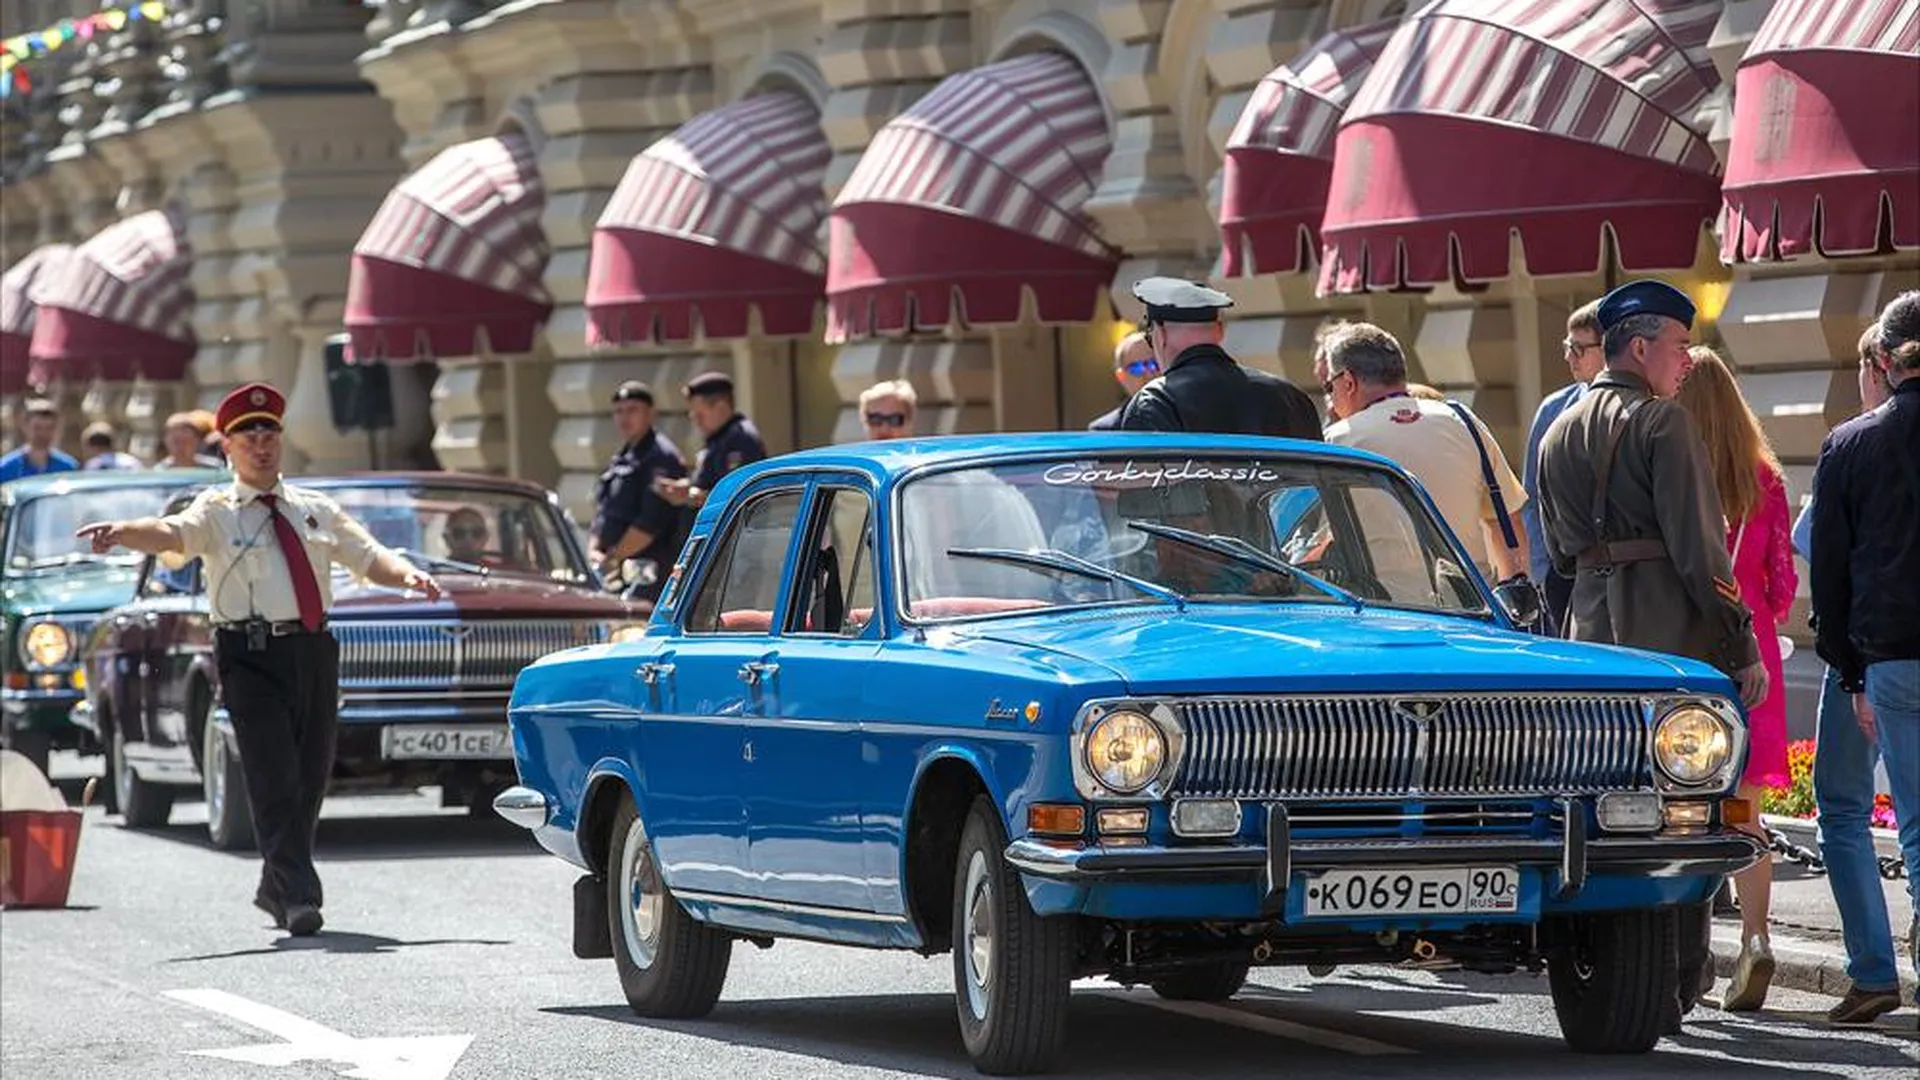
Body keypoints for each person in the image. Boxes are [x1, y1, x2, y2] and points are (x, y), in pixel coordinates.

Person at [74, 382, 443, 937]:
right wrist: (123, 533)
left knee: (311, 773)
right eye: (248, 436)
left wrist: (408, 577)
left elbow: (367, 556)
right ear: (227, 448)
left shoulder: (313, 510)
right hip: (249, 654)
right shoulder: (217, 511)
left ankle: (275, 884)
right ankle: (298, 895)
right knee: (274, 774)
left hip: (314, 649)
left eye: (269, 432)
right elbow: (172, 533)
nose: (261, 444)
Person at [1674, 344, 1796, 1011]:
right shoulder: (1762, 478)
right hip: (1754, 655)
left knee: (1686, 810)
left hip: (1690, 648)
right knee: (1746, 807)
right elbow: (1783, 586)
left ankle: (1688, 954)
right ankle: (1755, 938)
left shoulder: (1672, 470)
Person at [1810, 290, 1920, 1028]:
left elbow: (1831, 577)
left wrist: (1849, 671)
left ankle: (1877, 975)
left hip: (1894, 658)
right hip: (1889, 657)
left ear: (1881, 361)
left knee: (1914, 825)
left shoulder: (1850, 445)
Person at [1316, 322, 1529, 585]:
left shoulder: (1338, 441)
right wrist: (1513, 595)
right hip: (1474, 604)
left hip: (1389, 610)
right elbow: (1508, 520)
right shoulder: (1463, 421)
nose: (1331, 398)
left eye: (1329, 387)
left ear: (1348, 382)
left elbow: (1314, 538)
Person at [1118, 278, 1321, 439]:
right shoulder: (1291, 397)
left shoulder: (1156, 402)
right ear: (1220, 331)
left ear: (1160, 335)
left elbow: (1147, 488)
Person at [1524, 300, 1605, 634]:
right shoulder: (1554, 409)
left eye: (1578, 348)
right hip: (1565, 570)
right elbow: (1532, 493)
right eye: (1567, 347)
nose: (1568, 357)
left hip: (1623, 573)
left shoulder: (1644, 409)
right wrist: (1541, 569)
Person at [588, 381, 686, 598]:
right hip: (614, 570)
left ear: (651, 414)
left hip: (647, 572)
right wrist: (594, 550)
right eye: (619, 411)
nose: (624, 418)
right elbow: (603, 511)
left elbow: (650, 522)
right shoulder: (622, 457)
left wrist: (612, 559)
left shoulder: (661, 456)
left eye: (633, 410)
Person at [655, 372, 767, 512]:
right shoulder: (720, 437)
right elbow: (710, 483)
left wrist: (690, 497)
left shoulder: (740, 439)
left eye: (700, 414)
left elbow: (736, 499)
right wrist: (687, 487)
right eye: (693, 415)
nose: (695, 421)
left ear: (721, 407)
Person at [1088, 331, 1159, 430]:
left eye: (1154, 364)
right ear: (1121, 377)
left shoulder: (1185, 419)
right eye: (1136, 368)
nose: (1149, 374)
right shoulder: (1105, 430)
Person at [0, 399, 78, 482]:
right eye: (37, 428)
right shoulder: (7, 468)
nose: (43, 434)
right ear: (25, 427)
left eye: (49, 428)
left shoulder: (68, 468)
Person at [156, 411, 223, 469]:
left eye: (185, 442)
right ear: (166, 442)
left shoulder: (215, 468)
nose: (180, 447)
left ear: (197, 441)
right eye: (175, 442)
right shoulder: (160, 471)